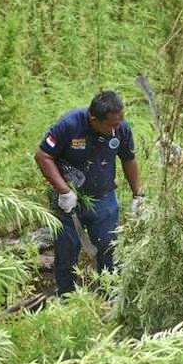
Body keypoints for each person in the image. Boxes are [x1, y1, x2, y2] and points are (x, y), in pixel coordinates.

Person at [34, 90, 144, 295]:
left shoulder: (121, 129)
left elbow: (128, 159)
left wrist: (138, 193)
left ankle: (109, 294)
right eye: (111, 124)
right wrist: (64, 191)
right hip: (68, 198)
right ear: (94, 119)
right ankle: (66, 296)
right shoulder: (70, 125)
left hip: (103, 196)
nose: (116, 129)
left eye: (120, 122)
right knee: (67, 248)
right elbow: (43, 156)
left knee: (109, 245)